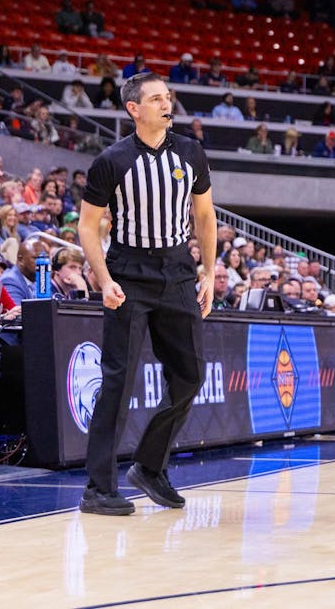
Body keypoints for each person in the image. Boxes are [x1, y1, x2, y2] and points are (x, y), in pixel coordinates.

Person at [76, 71, 216, 516]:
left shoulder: (191, 152)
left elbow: (205, 216)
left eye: (167, 96)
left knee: (191, 374)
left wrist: (209, 273)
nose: (166, 103)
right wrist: (104, 279)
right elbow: (86, 225)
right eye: (156, 98)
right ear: (133, 109)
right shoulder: (112, 160)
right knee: (118, 379)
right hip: (128, 271)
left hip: (176, 269)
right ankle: (98, 489)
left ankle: (149, 466)